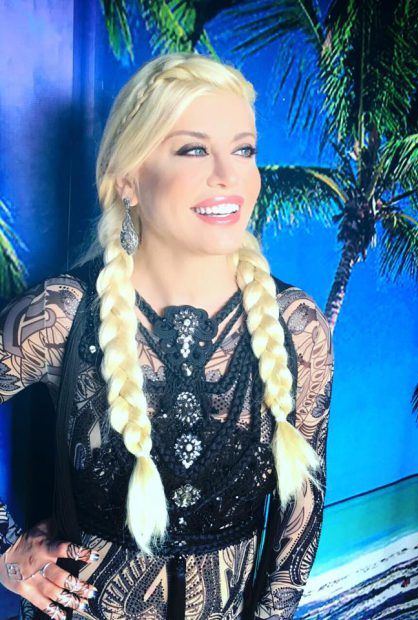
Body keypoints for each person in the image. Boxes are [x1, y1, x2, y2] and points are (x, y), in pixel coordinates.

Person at [0, 51, 334, 619]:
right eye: (194, 149)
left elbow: (300, 517)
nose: (229, 175)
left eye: (244, 150)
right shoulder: (61, 315)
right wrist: (7, 555)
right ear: (128, 180)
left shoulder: (296, 326)